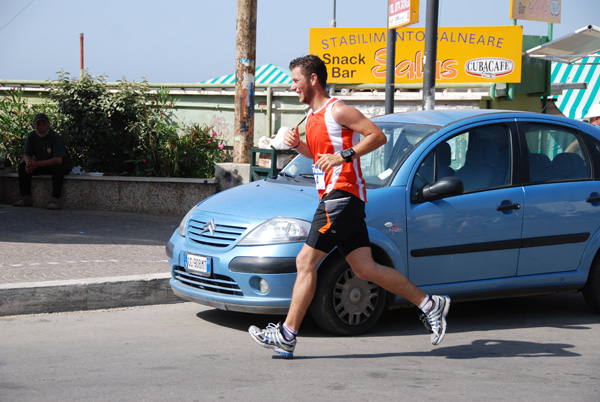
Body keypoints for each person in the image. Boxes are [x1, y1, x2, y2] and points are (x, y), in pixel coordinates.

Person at [248, 55, 450, 358]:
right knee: (365, 268)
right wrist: (294, 145)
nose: (292, 87)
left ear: (313, 79)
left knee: (305, 262)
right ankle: (430, 304)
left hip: (341, 196)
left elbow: (376, 136)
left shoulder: (338, 110)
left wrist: (345, 156)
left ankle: (287, 334)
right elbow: (319, 157)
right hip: (339, 198)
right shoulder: (312, 117)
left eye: (295, 80)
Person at [13, 113, 72, 210]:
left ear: (48, 125)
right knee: (22, 167)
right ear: (34, 126)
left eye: (43, 124)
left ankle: (55, 200)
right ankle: (26, 197)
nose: (41, 128)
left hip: (58, 164)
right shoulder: (31, 136)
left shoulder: (55, 137)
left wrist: (37, 164)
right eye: (38, 125)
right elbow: (26, 155)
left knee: (58, 169)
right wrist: (28, 163)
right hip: (42, 163)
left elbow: (58, 159)